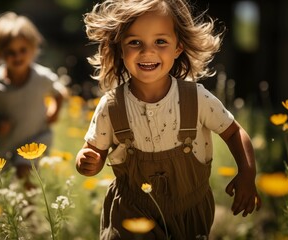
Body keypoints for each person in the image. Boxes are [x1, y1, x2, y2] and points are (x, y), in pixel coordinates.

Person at [75, 0, 261, 239]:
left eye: (160, 41)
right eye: (135, 42)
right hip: (131, 212)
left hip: (189, 212)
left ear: (178, 47)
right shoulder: (111, 106)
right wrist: (88, 160)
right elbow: (94, 149)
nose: (147, 51)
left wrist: (247, 172)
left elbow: (233, 132)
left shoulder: (197, 98)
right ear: (121, 48)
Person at [0, 11, 67, 187]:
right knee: (8, 189)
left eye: (23, 50)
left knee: (26, 174)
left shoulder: (42, 77)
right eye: (10, 52)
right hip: (6, 144)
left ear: (34, 48)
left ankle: (31, 213)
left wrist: (54, 112)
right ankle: (20, 213)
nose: (17, 56)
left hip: (37, 138)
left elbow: (59, 93)